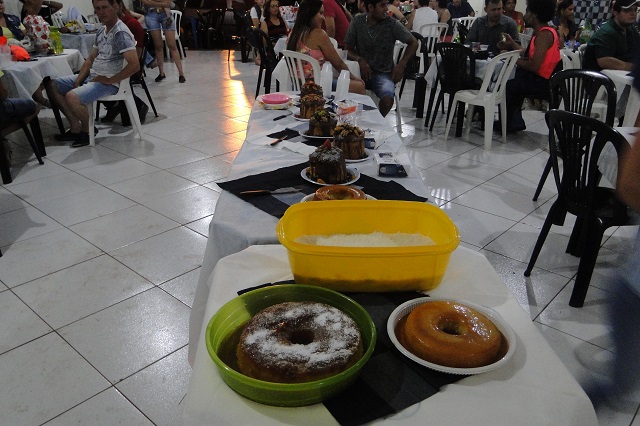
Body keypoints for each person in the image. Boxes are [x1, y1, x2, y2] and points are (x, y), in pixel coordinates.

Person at [48, 0, 139, 147]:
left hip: (109, 82)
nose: (101, 12)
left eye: (105, 7)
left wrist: (111, 80)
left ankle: (87, 130)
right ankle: (75, 126)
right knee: (52, 85)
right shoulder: (102, 30)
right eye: (97, 8)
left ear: (115, 7)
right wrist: (78, 79)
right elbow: (90, 59)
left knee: (72, 97)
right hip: (94, 76)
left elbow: (134, 65)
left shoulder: (120, 32)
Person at [344, 0, 419, 116]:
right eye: (382, 5)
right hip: (358, 73)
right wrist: (360, 60)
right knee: (341, 92)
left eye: (386, 5)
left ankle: (376, 123)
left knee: (388, 100)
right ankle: (351, 124)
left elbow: (413, 42)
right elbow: (347, 49)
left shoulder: (392, 24)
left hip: (382, 73)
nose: (386, 9)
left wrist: (401, 65)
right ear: (370, 7)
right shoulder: (357, 22)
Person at [499, 0, 559, 132]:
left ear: (535, 15)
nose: (525, 16)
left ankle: (507, 123)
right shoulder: (543, 32)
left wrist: (511, 59)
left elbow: (534, 66)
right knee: (513, 80)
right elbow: (529, 54)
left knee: (507, 84)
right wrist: (512, 45)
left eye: (527, 12)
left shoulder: (544, 35)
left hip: (542, 83)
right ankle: (513, 121)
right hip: (542, 79)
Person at [286, 0, 365, 94]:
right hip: (316, 86)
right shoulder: (318, 34)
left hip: (296, 85)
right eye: (321, 13)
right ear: (310, 13)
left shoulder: (292, 34)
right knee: (359, 86)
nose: (323, 17)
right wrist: (354, 77)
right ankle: (345, 108)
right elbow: (338, 64)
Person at [101, 0, 150, 126]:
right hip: (112, 64)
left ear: (118, 6)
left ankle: (135, 104)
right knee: (84, 74)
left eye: (106, 8)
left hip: (129, 67)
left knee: (100, 78)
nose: (103, 12)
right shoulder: (107, 25)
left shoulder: (131, 24)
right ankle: (114, 104)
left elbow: (135, 59)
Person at [582, 0, 640, 72]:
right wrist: (632, 67)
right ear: (615, 13)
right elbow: (604, 61)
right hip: (599, 80)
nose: (633, 13)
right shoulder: (606, 32)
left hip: (619, 77)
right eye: (627, 10)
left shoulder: (630, 29)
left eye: (635, 10)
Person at [142, 0, 185, 83]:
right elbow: (145, 2)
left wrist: (154, 2)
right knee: (158, 45)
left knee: (172, 45)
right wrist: (162, 3)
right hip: (152, 14)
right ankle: (161, 73)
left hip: (165, 15)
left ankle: (181, 73)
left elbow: (170, 2)